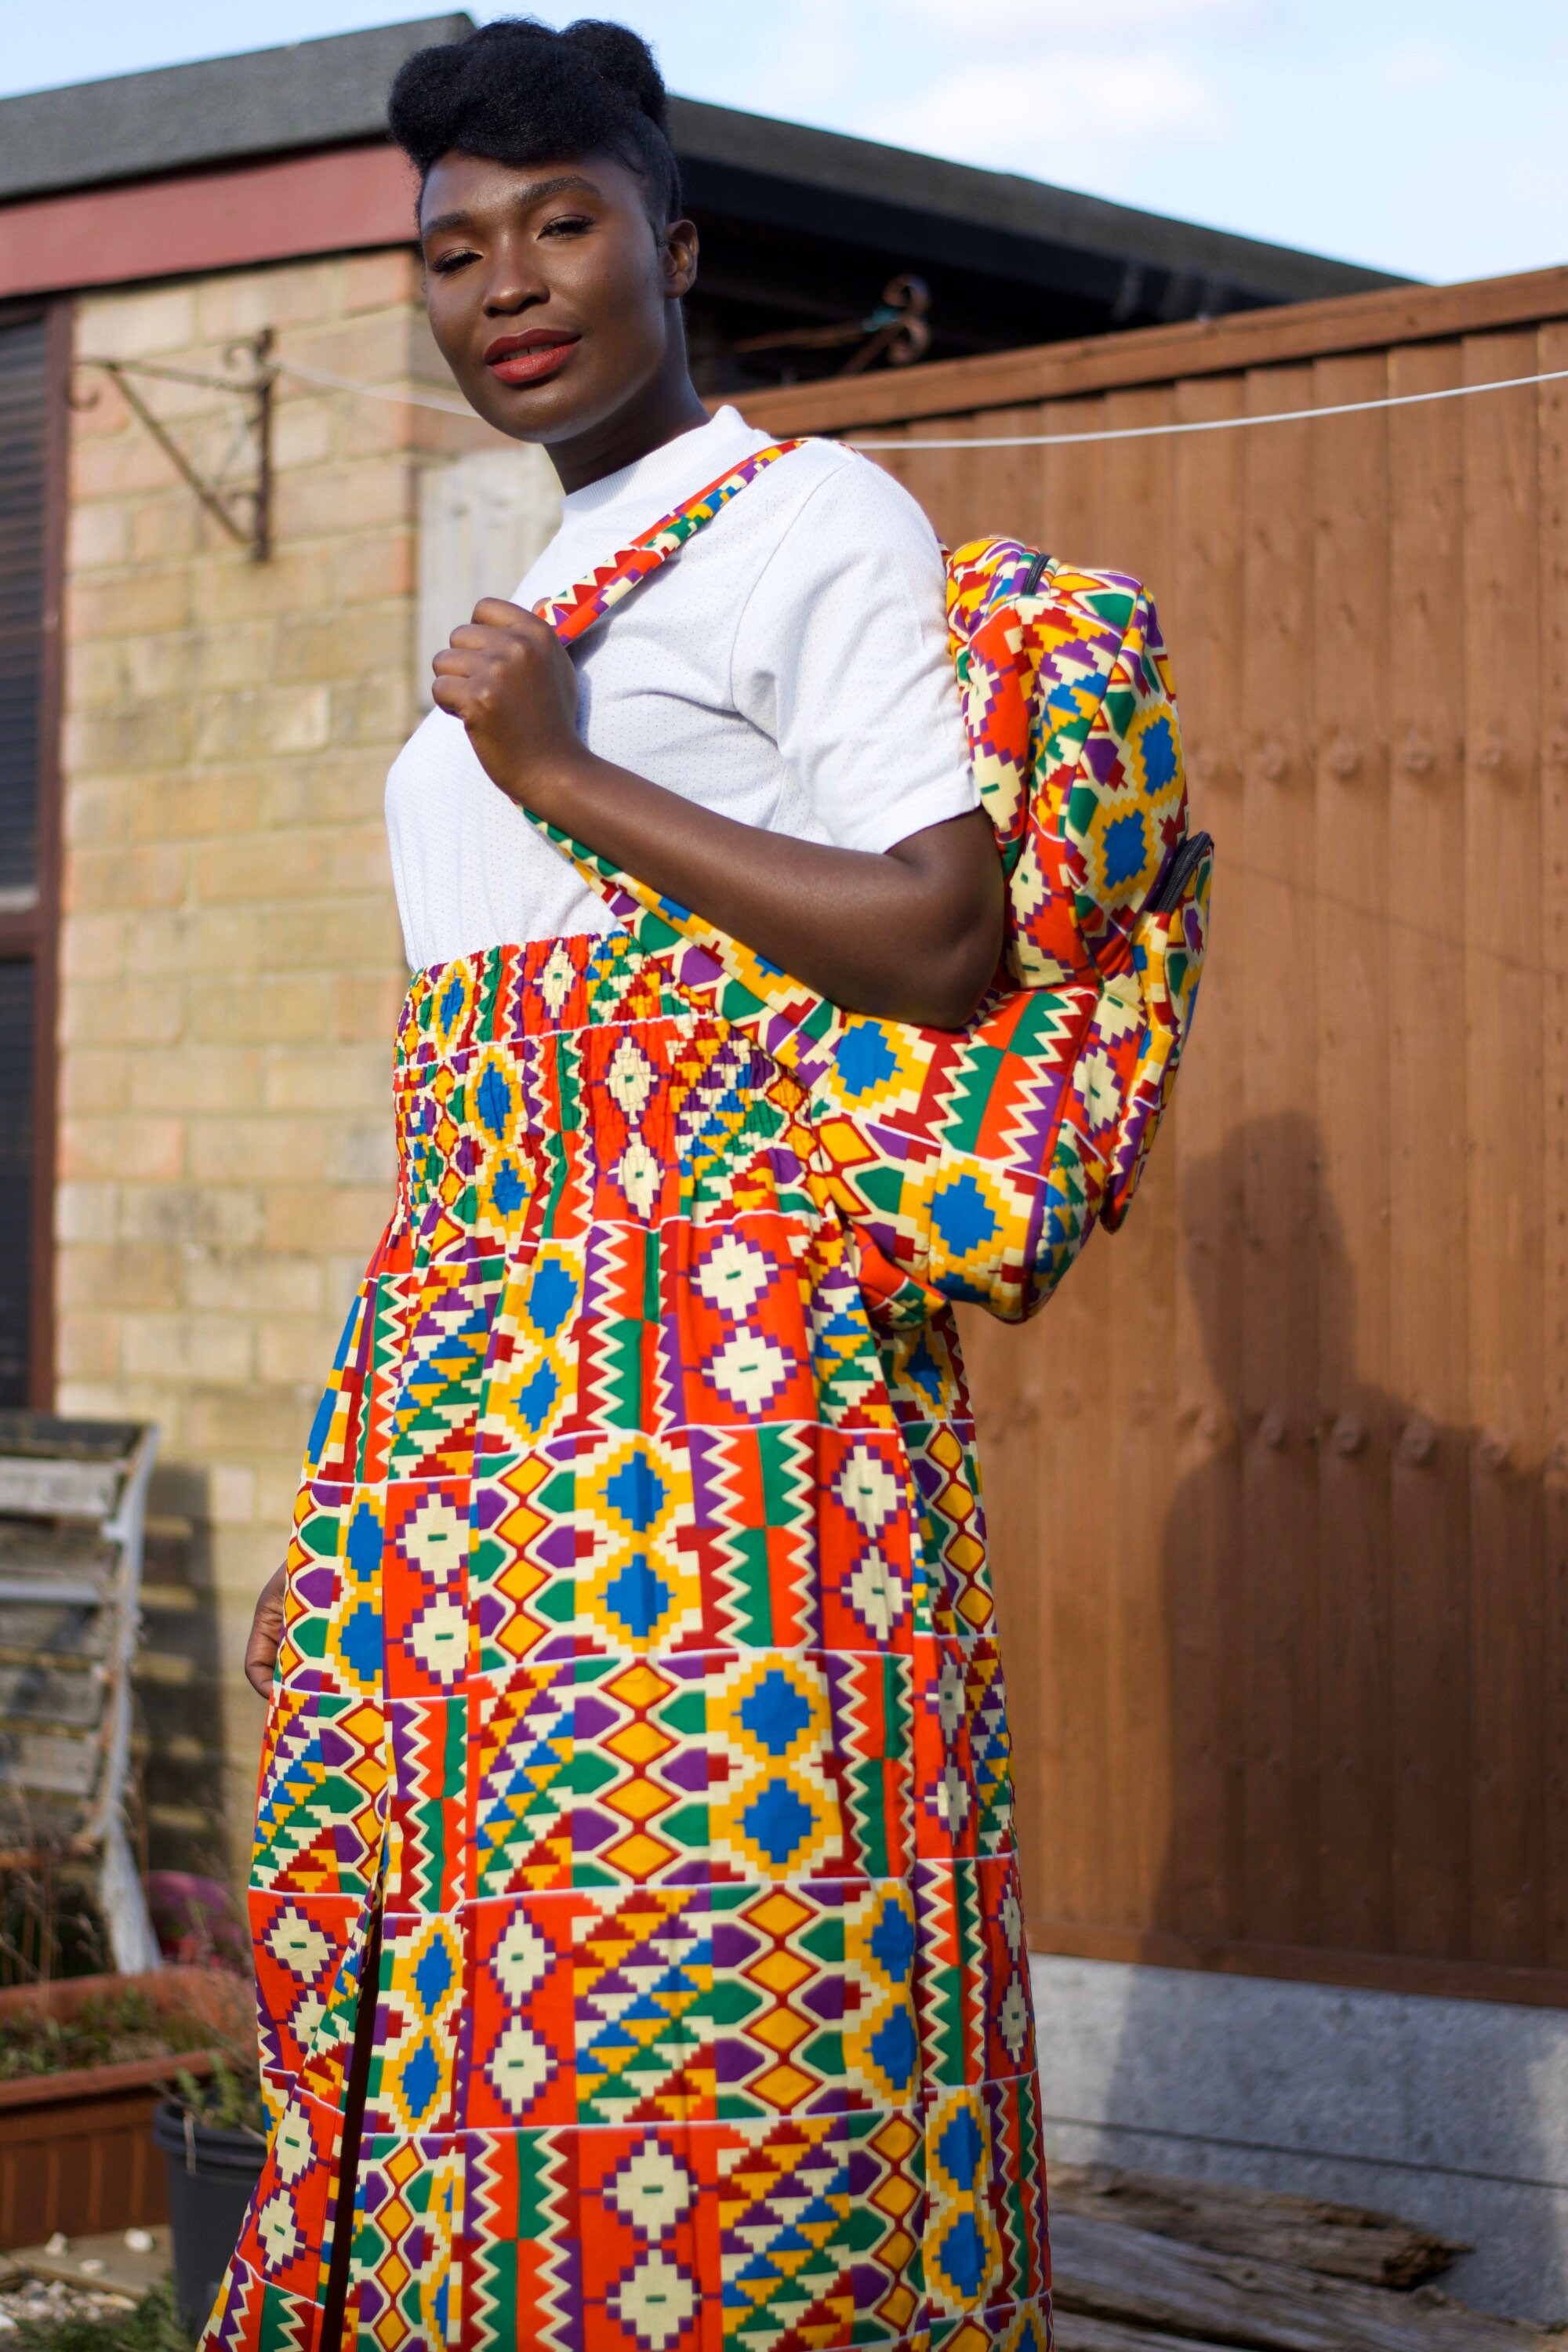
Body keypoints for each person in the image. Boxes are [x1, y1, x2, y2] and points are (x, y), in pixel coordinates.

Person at [216, 20, 1052, 2352]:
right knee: (447, 2010)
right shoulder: (563, 556)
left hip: (714, 1415)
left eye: (560, 222)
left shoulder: (812, 521)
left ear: (671, 248)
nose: (506, 282)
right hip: (473, 1390)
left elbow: (941, 927)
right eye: (453, 248)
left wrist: (561, 768)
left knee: (724, 2024)